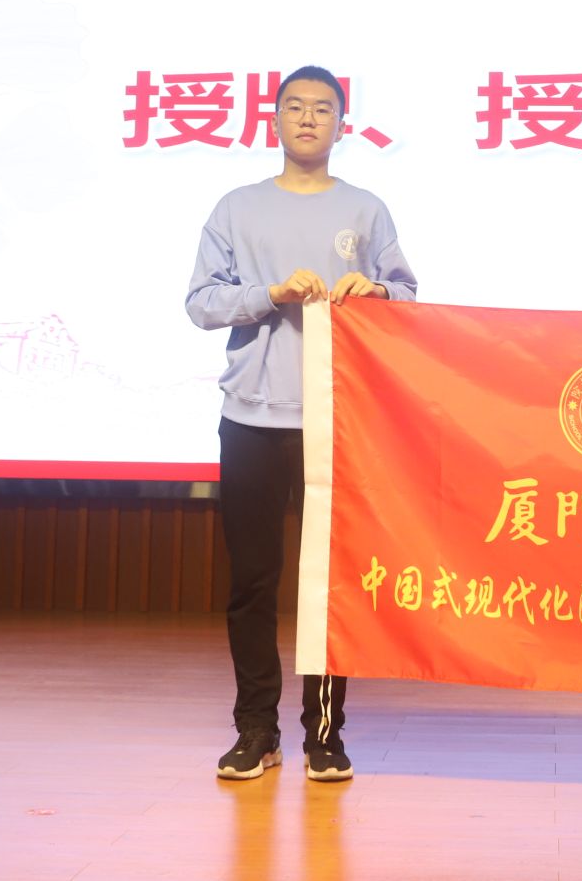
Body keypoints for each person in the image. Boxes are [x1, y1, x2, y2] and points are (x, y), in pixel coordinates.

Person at [185, 65, 417, 783]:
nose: (308, 118)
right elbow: (200, 303)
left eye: (322, 109)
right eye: (295, 107)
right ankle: (256, 729)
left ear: (342, 126)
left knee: (328, 587)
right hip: (251, 417)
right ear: (275, 120)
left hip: (337, 422)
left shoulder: (366, 210)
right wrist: (270, 293)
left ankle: (324, 733)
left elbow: (406, 296)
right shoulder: (237, 207)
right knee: (253, 583)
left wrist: (374, 292)